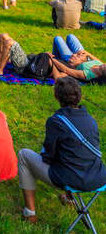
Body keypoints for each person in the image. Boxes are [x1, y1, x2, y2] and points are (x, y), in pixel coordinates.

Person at [17, 77, 106, 223]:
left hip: (72, 178)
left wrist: (44, 156)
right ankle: (69, 198)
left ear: (56, 96)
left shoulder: (56, 121)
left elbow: (48, 155)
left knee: (24, 155)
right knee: (73, 154)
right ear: (79, 96)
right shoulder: (91, 119)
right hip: (98, 177)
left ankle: (30, 213)